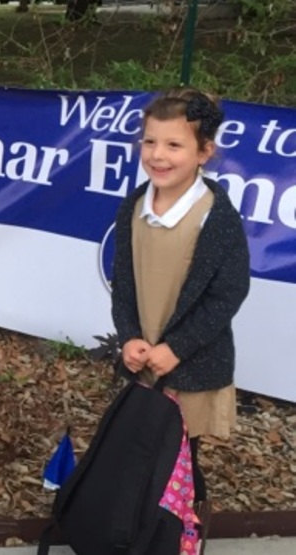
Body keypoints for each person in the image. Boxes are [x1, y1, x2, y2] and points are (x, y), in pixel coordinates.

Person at [110, 87, 251, 542]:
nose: (158, 155)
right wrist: (129, 336)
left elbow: (227, 294)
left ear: (204, 152)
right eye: (150, 142)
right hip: (145, 356)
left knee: (180, 455)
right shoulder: (135, 203)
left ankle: (179, 537)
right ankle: (138, 529)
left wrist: (178, 348)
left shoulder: (216, 217)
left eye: (174, 145)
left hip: (188, 364)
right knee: (144, 445)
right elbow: (125, 279)